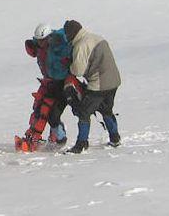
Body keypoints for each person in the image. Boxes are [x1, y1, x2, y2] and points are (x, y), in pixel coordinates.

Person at [15, 22, 79, 152]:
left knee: (51, 114)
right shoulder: (40, 47)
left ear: (49, 37)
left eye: (42, 40)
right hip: (48, 83)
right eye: (38, 40)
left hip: (62, 85)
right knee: (38, 110)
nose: (40, 43)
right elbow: (34, 51)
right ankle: (34, 137)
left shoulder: (60, 46)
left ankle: (59, 138)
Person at [63, 20, 122, 154]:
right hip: (114, 81)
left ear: (71, 33)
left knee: (84, 112)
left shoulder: (80, 45)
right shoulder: (96, 37)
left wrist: (69, 65)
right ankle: (115, 137)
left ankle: (81, 144)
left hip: (99, 84)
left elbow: (77, 70)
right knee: (106, 109)